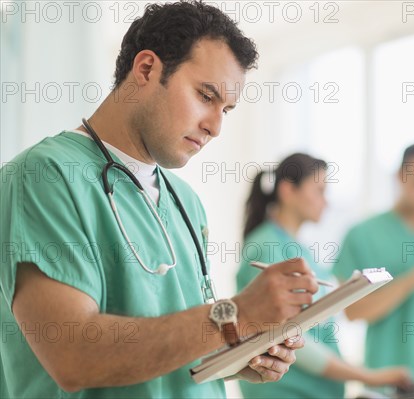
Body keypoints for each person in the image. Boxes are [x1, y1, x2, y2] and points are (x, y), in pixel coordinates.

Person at [0, 2, 318, 397]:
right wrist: (235, 314)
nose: (215, 126)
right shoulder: (45, 177)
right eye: (206, 95)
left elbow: (176, 340)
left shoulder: (185, 202)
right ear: (147, 69)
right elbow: (73, 353)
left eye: (226, 110)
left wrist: (241, 351)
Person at [236, 153, 413, 398]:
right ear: (288, 190)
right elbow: (289, 335)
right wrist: (369, 376)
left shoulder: (301, 250)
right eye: (319, 190)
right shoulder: (265, 246)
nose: (326, 202)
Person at [333, 143, 414, 394]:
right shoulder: (362, 235)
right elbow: (351, 312)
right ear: (399, 177)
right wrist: (413, 279)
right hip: (388, 383)